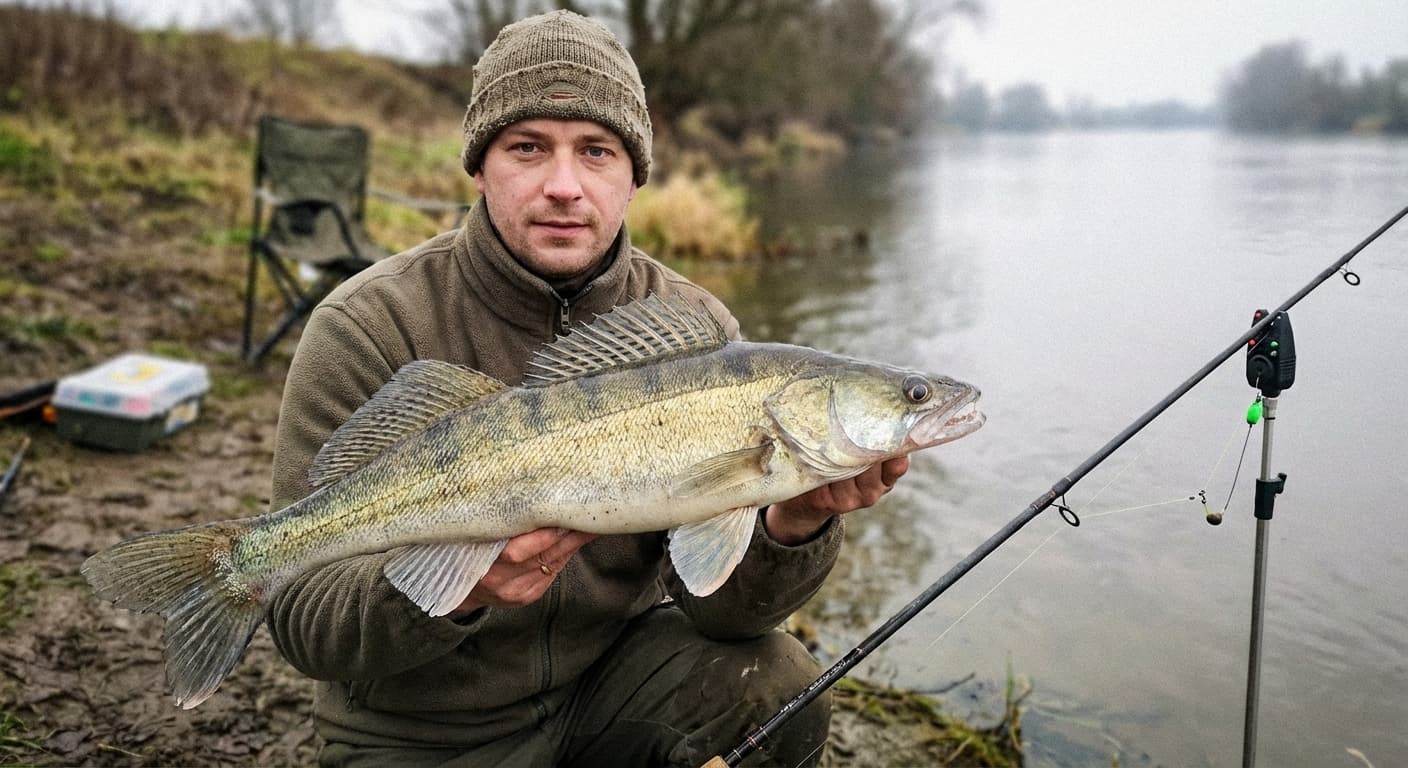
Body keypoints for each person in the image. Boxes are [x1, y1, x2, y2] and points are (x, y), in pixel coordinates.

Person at [266, 10, 909, 767]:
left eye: (597, 151)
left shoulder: (699, 328)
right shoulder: (367, 323)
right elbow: (301, 616)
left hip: (606, 690)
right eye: (528, 147)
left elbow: (722, 611)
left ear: (635, 174)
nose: (563, 186)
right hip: (420, 727)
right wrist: (462, 589)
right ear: (479, 166)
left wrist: (790, 524)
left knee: (776, 685)